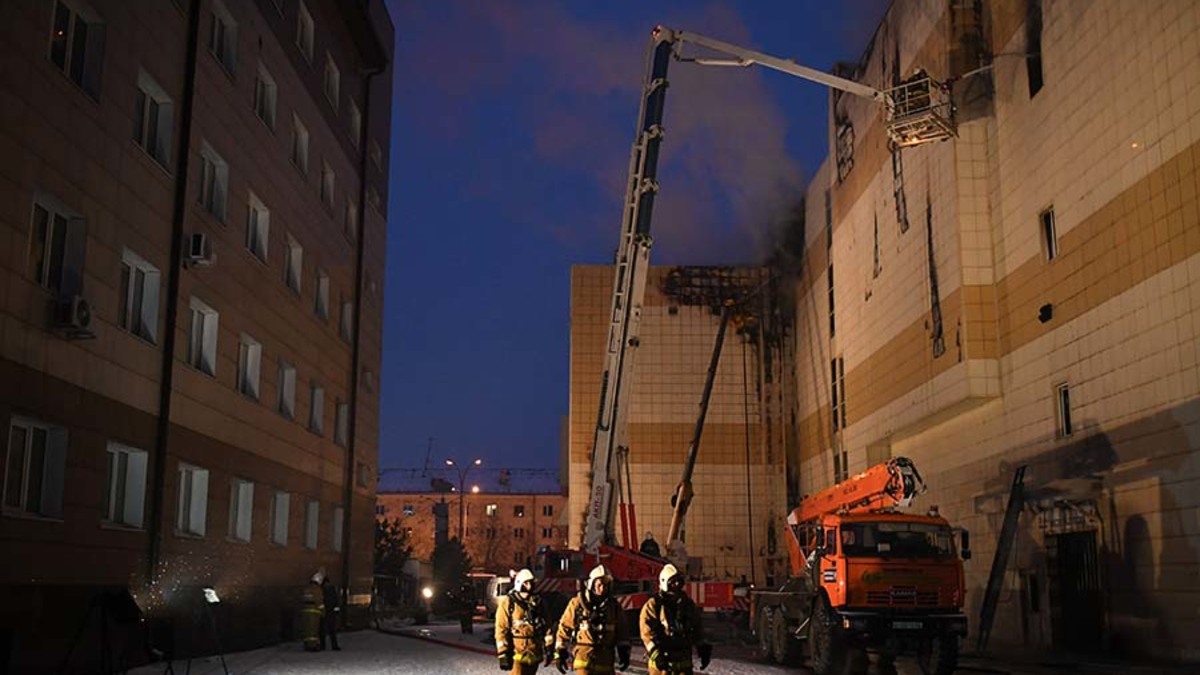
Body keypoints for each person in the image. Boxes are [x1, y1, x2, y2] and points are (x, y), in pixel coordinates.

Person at [554, 565, 630, 674]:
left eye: (605, 585)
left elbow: (622, 631)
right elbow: (565, 627)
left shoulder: (614, 607)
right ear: (592, 584)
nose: (602, 588)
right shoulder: (578, 604)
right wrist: (560, 652)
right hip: (584, 661)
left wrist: (624, 651)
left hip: (606, 662)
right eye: (599, 585)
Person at [639, 564, 712, 674]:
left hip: (684, 665)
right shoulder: (654, 605)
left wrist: (703, 648)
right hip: (662, 668)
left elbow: (697, 628)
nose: (677, 584)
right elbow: (647, 633)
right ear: (665, 583)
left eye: (679, 581)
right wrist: (655, 654)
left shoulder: (687, 604)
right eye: (673, 582)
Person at [495, 569, 554, 673]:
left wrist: (549, 647)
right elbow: (501, 629)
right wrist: (503, 652)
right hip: (516, 653)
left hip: (534, 653)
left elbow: (547, 627)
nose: (529, 586)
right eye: (526, 583)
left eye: (531, 582)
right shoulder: (508, 603)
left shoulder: (539, 604)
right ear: (519, 584)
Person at [320, 575, 342, 651]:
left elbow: (336, 602)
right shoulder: (331, 590)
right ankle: (330, 645)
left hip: (328, 613)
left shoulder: (323, 591)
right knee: (328, 631)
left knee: (327, 630)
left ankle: (325, 646)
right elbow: (336, 602)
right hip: (328, 613)